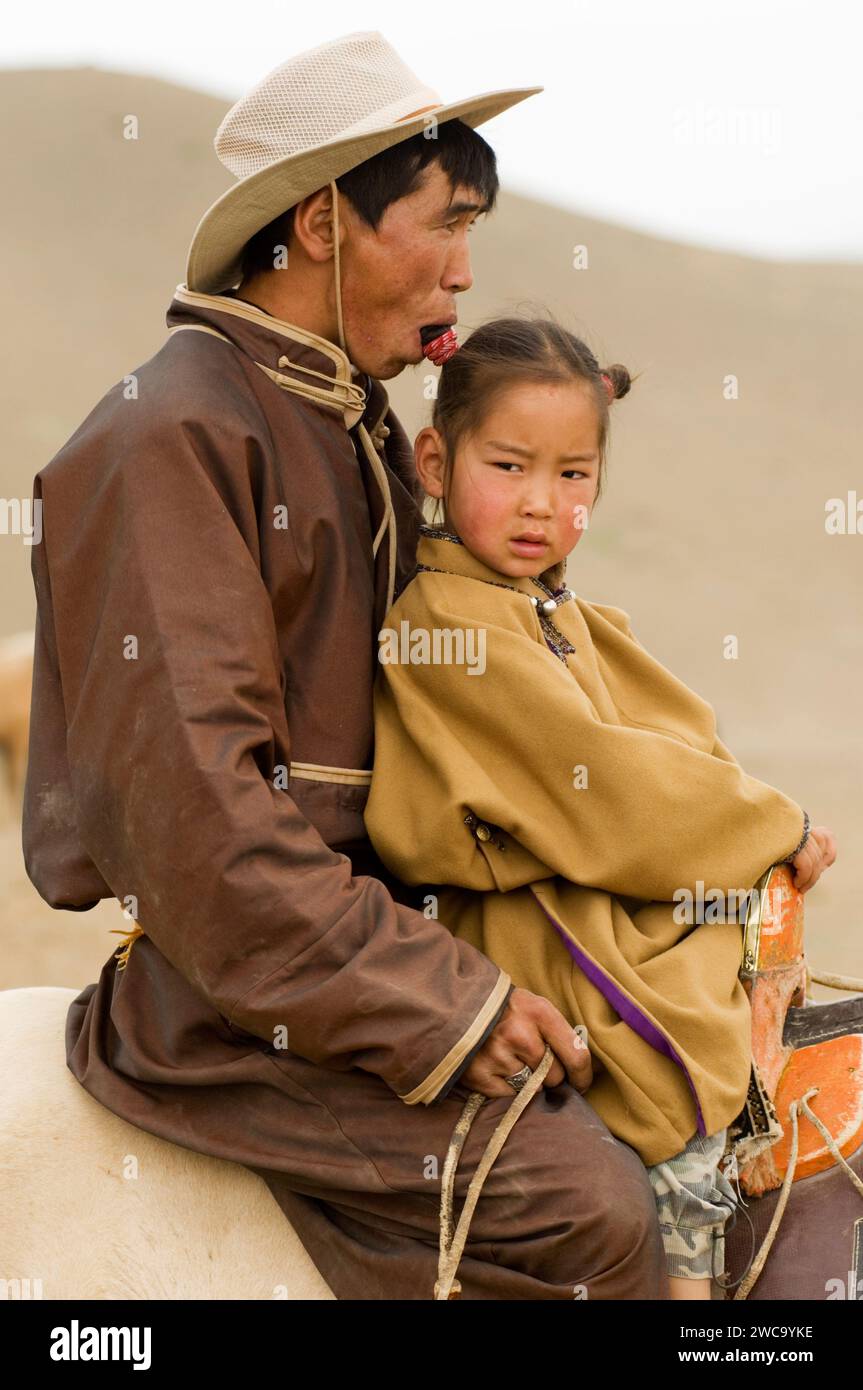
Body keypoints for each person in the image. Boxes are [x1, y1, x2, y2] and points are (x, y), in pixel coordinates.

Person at [21, 33, 670, 1299]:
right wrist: (447, 1007)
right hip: (233, 1010)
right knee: (586, 1210)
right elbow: (200, 828)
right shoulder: (169, 437)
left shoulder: (352, 425)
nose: (464, 272)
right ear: (323, 222)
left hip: (389, 940)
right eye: (443, 227)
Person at [363, 314, 839, 1299]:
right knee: (672, 1203)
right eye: (509, 465)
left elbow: (682, 735)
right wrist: (772, 829)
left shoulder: (560, 614)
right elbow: (612, 793)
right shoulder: (445, 629)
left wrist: (747, 819)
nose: (541, 503)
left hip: (622, 940)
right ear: (435, 461)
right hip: (558, 966)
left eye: (573, 475)